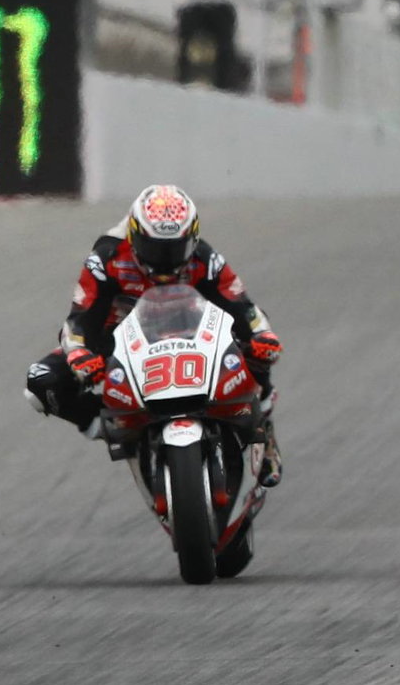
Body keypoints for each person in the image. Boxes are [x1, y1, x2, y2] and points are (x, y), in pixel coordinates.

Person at [25, 184, 283, 483]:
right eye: (154, 248)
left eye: (175, 248)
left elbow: (242, 305)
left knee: (259, 349)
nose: (164, 260)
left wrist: (263, 335)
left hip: (192, 332)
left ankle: (263, 427)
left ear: (192, 237)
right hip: (121, 339)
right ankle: (115, 424)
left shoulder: (205, 258)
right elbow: (78, 319)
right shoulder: (107, 257)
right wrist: (80, 354)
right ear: (134, 234)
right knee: (41, 381)